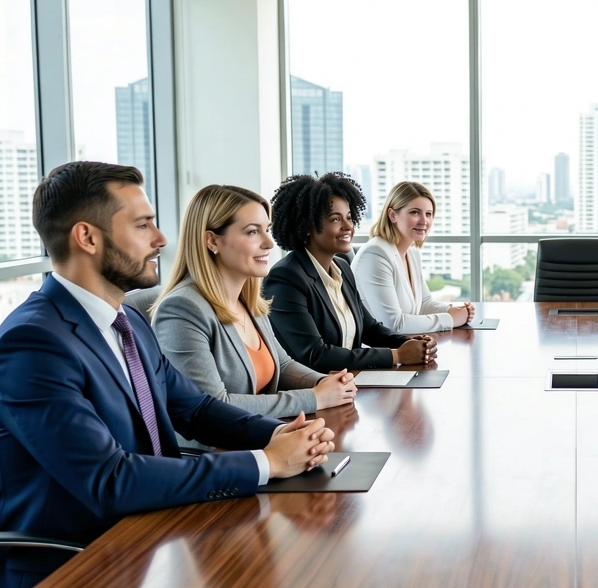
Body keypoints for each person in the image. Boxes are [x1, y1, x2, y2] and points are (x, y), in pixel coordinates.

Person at [0, 162, 335, 588]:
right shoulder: (33, 343)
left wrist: (287, 435)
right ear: (88, 238)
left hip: (143, 545)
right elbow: (111, 481)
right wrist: (267, 462)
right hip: (68, 587)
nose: (162, 239)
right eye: (143, 224)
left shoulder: (126, 324)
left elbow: (196, 408)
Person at [153, 185, 357, 423]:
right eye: (252, 232)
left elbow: (283, 363)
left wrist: (324, 382)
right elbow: (214, 406)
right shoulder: (182, 310)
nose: (269, 243)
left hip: (264, 436)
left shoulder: (249, 300)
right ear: (212, 241)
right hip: (218, 452)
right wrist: (315, 397)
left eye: (267, 230)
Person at [262, 173, 437, 372]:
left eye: (349, 217)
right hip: (313, 393)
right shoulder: (286, 278)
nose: (348, 227)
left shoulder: (342, 267)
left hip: (349, 384)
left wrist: (406, 341)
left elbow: (368, 327)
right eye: (336, 219)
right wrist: (396, 355)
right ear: (308, 225)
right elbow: (314, 355)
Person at [352, 181, 474, 333]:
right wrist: (451, 319)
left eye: (428, 214)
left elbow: (424, 304)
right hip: (383, 352)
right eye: (415, 212)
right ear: (392, 215)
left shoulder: (411, 253)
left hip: (407, 346)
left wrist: (455, 310)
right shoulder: (375, 254)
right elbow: (393, 325)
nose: (424, 221)